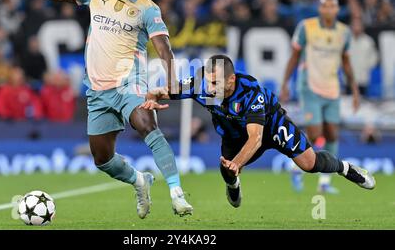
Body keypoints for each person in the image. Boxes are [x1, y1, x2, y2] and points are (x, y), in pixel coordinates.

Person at [0, 0, 193, 218]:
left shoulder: (148, 9)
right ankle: (139, 180)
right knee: (102, 159)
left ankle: (177, 193)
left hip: (128, 82)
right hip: (97, 89)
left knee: (146, 122)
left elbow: (163, 48)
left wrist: (170, 81)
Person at [141, 55, 375, 208]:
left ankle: (347, 169)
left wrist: (238, 163)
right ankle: (233, 186)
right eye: (208, 82)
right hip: (233, 134)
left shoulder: (251, 92)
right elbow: (164, 91)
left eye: (215, 84)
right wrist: (152, 98)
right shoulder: (200, 84)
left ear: (231, 80)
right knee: (227, 170)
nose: (209, 89)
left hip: (271, 126)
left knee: (309, 163)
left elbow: (256, 138)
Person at [279, 0, 361, 194]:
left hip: (332, 87)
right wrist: (285, 84)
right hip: (309, 87)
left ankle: (324, 183)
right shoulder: (306, 27)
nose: (329, 9)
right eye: (325, 6)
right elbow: (294, 56)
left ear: (337, 10)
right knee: (316, 134)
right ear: (320, 9)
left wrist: (355, 90)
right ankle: (296, 167)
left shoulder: (344, 32)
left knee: (332, 134)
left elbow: (347, 63)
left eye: (333, 6)